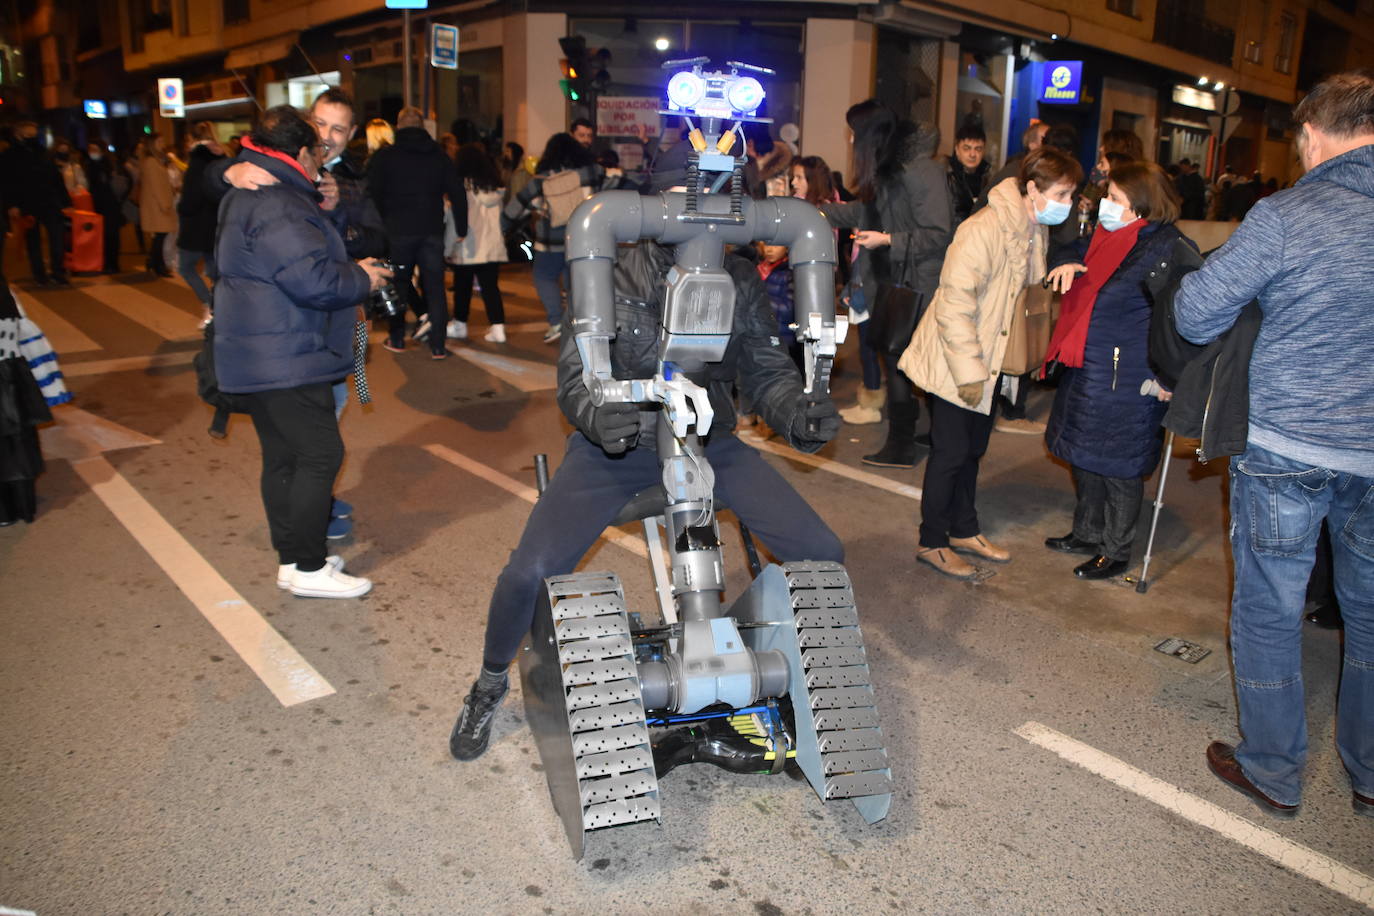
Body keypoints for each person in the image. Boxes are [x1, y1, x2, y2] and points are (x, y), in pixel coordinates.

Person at [446, 167, 844, 760]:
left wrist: (798, 411)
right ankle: (488, 682)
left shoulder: (738, 278)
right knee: (528, 574)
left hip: (707, 439)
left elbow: (765, 368)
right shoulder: (608, 264)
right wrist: (595, 414)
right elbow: (576, 374)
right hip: (620, 444)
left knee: (822, 550)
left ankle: (784, 669)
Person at [1173, 70, 1374, 821]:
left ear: (1313, 136)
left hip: (1288, 446)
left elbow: (1195, 313)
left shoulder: (1289, 214)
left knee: (1269, 607)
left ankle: (1273, 768)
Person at [213, 104, 391, 599]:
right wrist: (364, 278)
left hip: (265, 349)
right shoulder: (279, 202)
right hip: (287, 350)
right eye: (316, 151)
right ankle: (309, 568)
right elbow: (311, 280)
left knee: (285, 457)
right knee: (319, 453)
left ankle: (294, 561)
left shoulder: (252, 189)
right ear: (298, 152)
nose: (321, 160)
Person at [898, 147, 1083, 579]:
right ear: (1032, 188)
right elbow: (954, 305)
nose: (1067, 204)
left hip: (992, 361)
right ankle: (933, 541)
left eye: (1072, 195)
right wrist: (969, 373)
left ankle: (964, 529)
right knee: (950, 453)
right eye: (1061, 193)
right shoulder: (983, 229)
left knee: (973, 451)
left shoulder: (1032, 229)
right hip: (957, 359)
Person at [1041, 162, 1186, 580]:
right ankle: (1087, 532)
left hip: (1129, 374)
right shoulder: (1107, 237)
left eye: (1115, 199)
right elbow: (1069, 245)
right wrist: (1067, 260)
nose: (1105, 204)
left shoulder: (1166, 248)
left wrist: (1168, 377)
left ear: (1141, 205)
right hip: (1089, 365)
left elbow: (1179, 318)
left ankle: (1116, 549)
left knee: (1119, 462)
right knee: (1084, 456)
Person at [819, 102, 951, 469]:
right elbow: (866, 212)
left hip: (918, 285)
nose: (849, 139)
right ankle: (921, 438)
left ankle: (905, 444)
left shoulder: (920, 170)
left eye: (853, 132)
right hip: (894, 282)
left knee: (905, 365)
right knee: (898, 363)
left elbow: (939, 234)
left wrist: (888, 240)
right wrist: (818, 210)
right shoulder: (892, 170)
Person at [503, 132, 625, 343]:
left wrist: (503, 227)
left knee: (544, 277)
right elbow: (615, 180)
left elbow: (513, 211)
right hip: (582, 240)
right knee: (576, 281)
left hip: (549, 243)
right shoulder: (591, 172)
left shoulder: (539, 182)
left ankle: (556, 321)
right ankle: (579, 321)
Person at [367, 106, 467, 358]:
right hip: (431, 230)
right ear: (423, 127)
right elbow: (457, 192)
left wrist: (378, 225)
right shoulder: (439, 156)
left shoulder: (386, 157)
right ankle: (438, 345)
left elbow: (373, 193)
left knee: (399, 284)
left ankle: (398, 337)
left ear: (398, 127)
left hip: (398, 231)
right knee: (435, 286)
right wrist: (461, 227)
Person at [445, 143, 509, 343]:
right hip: (492, 246)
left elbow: (455, 219)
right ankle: (498, 328)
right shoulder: (495, 186)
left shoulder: (462, 186)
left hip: (468, 246)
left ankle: (459, 325)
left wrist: (447, 247)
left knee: (462, 288)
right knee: (491, 288)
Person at [3, 122, 71, 287]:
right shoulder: (9, 155)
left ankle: (58, 271)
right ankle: (39, 274)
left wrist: (65, 201)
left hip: (50, 202)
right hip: (27, 203)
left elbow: (56, 178)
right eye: (28, 127)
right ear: (18, 131)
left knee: (57, 238)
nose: (32, 130)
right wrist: (12, 204)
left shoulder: (42, 151)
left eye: (34, 128)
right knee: (33, 241)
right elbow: (6, 181)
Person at [176, 122, 226, 320]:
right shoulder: (223, 157)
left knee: (186, 267)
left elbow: (191, 199)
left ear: (192, 139)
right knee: (215, 271)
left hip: (196, 225)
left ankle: (210, 304)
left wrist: (182, 207)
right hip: (217, 223)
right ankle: (221, 306)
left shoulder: (197, 162)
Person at [84, 141, 124, 274]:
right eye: (91, 149)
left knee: (112, 235)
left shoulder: (109, 164)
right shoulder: (89, 165)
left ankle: (113, 263)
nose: (93, 152)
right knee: (102, 235)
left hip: (111, 204)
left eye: (95, 149)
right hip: (97, 205)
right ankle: (106, 263)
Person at [139, 133, 176, 277]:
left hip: (159, 203)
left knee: (160, 235)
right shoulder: (151, 162)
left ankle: (154, 262)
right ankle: (157, 264)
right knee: (160, 235)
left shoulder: (156, 160)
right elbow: (156, 186)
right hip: (157, 205)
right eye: (159, 141)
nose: (162, 143)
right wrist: (165, 203)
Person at [947, 123, 991, 227]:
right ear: (957, 150)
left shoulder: (987, 177)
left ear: (984, 151)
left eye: (978, 149)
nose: (972, 154)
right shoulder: (947, 176)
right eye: (966, 148)